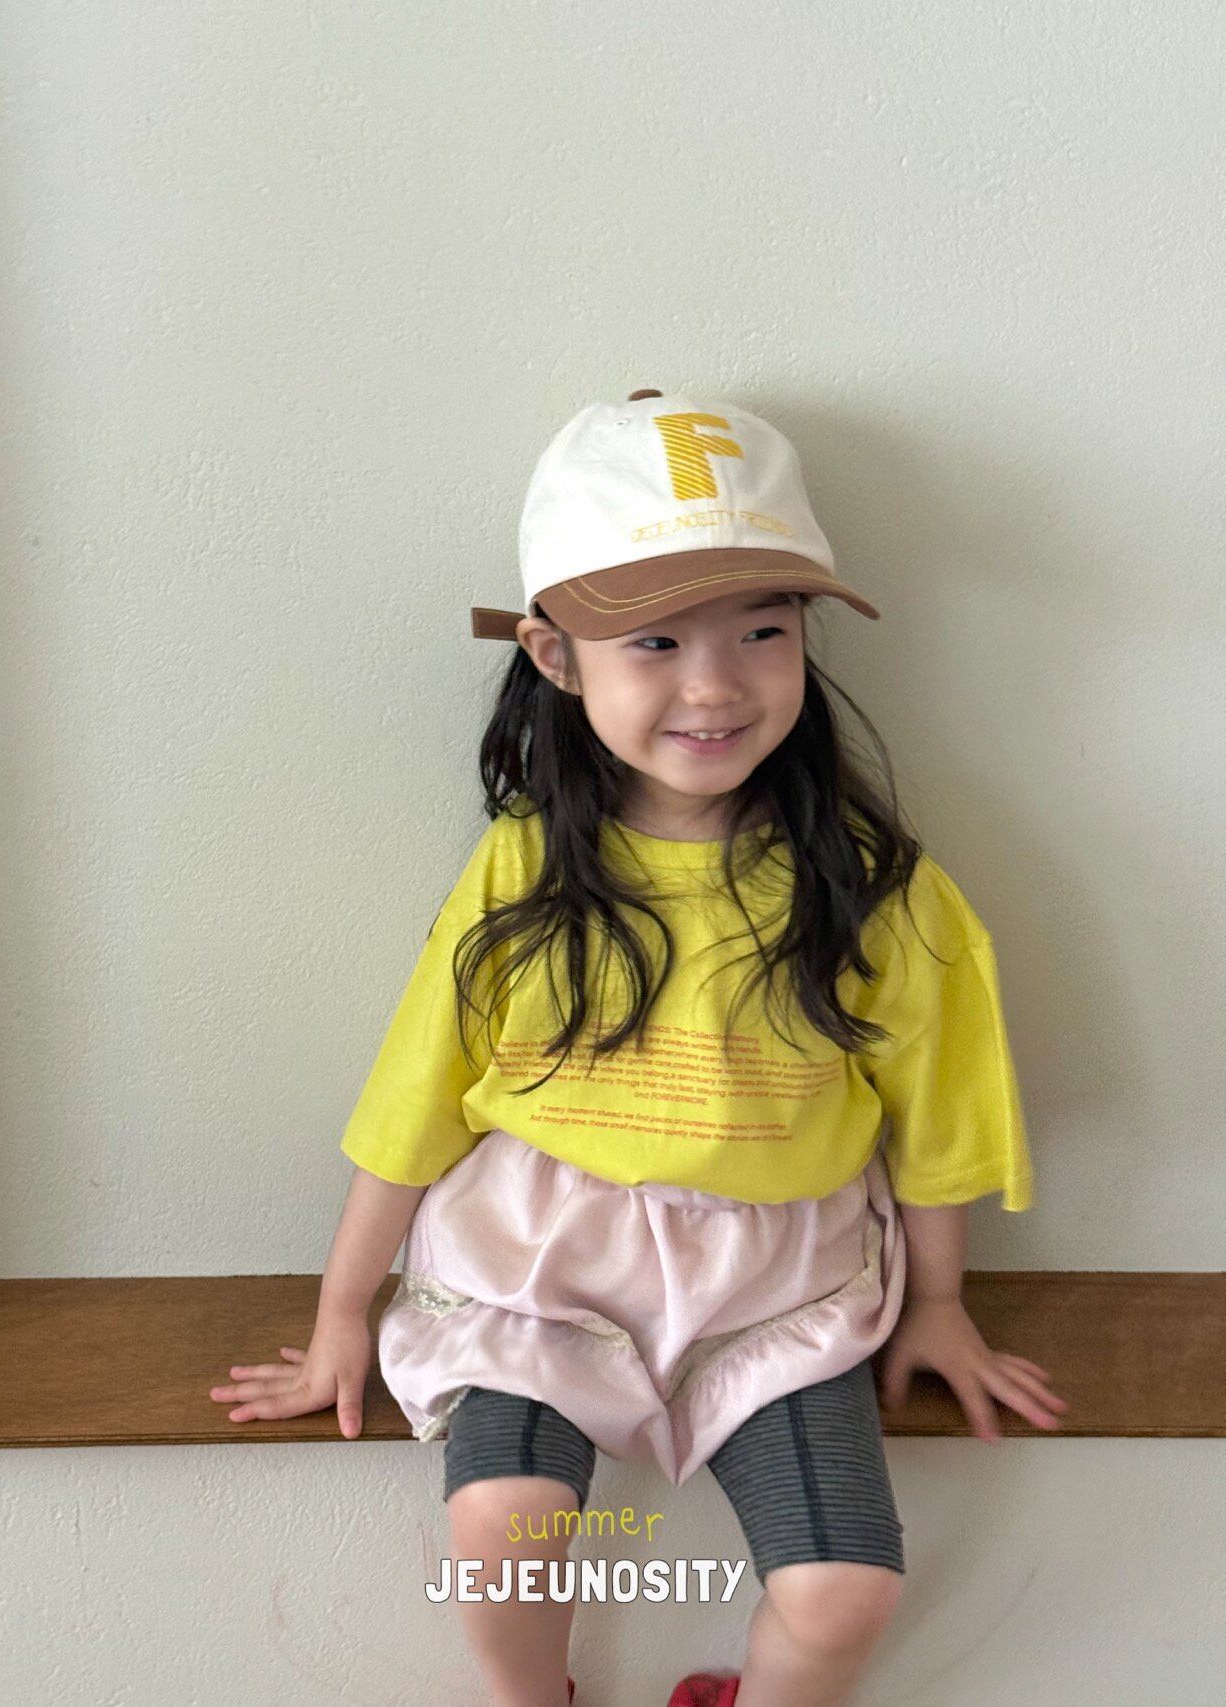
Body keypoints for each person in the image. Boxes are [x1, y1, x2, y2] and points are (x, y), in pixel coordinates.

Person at [210, 390, 1069, 1707]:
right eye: (656, 640)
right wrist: (339, 1315)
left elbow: (940, 1118)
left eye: (763, 631)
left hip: (777, 1284)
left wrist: (940, 1304)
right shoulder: (522, 875)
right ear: (556, 658)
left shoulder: (879, 889)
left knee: (845, 1590)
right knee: (505, 1532)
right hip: (539, 1270)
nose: (715, 685)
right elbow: (415, 1105)